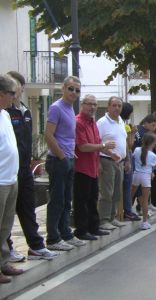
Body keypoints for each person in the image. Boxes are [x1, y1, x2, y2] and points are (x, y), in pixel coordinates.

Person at [5, 71, 57, 261]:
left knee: (27, 208)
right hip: (8, 170)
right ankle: (7, 249)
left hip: (25, 169)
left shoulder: (25, 111)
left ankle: (36, 246)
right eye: (10, 88)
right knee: (7, 214)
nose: (14, 91)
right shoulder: (5, 113)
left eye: (16, 86)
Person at [44, 76, 86, 251]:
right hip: (58, 160)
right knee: (57, 200)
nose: (74, 93)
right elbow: (48, 134)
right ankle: (53, 238)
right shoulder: (56, 108)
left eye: (77, 90)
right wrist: (62, 156)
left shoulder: (69, 108)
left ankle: (66, 234)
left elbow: (67, 136)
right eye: (71, 89)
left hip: (68, 159)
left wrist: (71, 155)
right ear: (63, 88)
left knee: (67, 200)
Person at [73, 95, 116, 240]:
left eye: (95, 104)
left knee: (92, 199)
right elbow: (83, 147)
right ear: (82, 105)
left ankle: (93, 227)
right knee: (82, 201)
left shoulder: (92, 123)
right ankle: (82, 231)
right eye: (89, 104)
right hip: (81, 168)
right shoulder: (78, 122)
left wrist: (111, 154)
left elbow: (97, 144)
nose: (92, 107)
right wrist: (104, 146)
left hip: (92, 168)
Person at [0, 75, 24, 284]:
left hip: (11, 178)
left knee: (6, 226)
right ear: (1, 94)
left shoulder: (5, 115)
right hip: (0, 180)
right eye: (12, 93)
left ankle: (3, 262)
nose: (14, 97)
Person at [97, 96, 130, 230]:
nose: (117, 108)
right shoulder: (102, 123)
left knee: (117, 192)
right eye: (114, 105)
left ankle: (112, 217)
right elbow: (97, 142)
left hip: (119, 162)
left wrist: (127, 159)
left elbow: (125, 141)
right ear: (108, 107)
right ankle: (104, 220)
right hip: (106, 160)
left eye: (119, 106)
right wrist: (98, 162)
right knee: (106, 192)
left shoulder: (121, 121)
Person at [131, 132, 156, 230]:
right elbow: (154, 166)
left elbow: (133, 157)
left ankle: (128, 212)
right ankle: (144, 222)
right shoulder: (153, 155)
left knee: (131, 195)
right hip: (146, 177)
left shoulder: (137, 149)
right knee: (145, 201)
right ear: (153, 143)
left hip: (136, 174)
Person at [133, 114, 156, 216]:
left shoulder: (138, 129)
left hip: (137, 170)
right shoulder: (142, 133)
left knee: (135, 192)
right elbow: (153, 165)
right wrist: (151, 171)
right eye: (153, 125)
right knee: (142, 194)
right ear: (146, 123)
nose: (154, 128)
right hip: (143, 170)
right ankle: (143, 213)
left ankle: (132, 210)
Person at [120, 102, 139, 221]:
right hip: (126, 155)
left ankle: (124, 210)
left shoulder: (119, 123)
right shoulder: (125, 126)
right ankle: (127, 210)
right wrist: (132, 133)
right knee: (127, 185)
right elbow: (130, 144)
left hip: (122, 156)